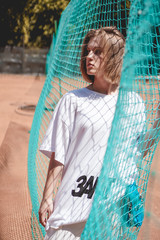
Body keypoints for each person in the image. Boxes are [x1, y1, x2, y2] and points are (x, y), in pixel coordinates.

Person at [38, 26, 160, 240]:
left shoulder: (133, 102)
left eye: (97, 52)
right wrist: (48, 196)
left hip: (111, 209)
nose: (89, 56)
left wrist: (158, 122)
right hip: (72, 205)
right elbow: (59, 154)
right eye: (88, 51)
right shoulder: (73, 100)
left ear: (113, 57)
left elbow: (138, 150)